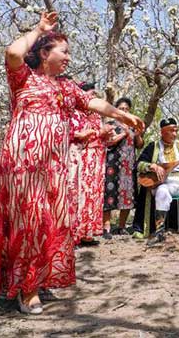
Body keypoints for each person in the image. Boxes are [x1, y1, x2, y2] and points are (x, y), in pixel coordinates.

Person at [0, 11, 143, 315]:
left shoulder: (65, 87)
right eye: (63, 51)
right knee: (29, 221)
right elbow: (13, 52)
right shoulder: (23, 79)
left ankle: (37, 278)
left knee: (49, 222)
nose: (68, 58)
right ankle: (26, 289)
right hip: (24, 165)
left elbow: (93, 102)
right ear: (44, 53)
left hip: (54, 168)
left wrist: (123, 116)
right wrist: (40, 28)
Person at [67, 82, 111, 246]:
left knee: (93, 196)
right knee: (80, 195)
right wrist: (98, 133)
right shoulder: (76, 113)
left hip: (98, 159)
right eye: (90, 95)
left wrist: (105, 135)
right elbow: (74, 134)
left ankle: (87, 233)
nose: (93, 99)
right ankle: (74, 234)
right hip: (83, 158)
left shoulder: (96, 116)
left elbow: (100, 137)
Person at [102, 97, 143, 237]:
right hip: (113, 164)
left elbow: (139, 145)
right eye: (121, 109)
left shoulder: (133, 126)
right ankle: (106, 227)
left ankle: (121, 226)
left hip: (129, 165)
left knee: (128, 195)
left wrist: (137, 135)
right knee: (109, 194)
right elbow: (109, 142)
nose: (124, 111)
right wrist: (124, 134)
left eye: (127, 109)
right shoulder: (111, 125)